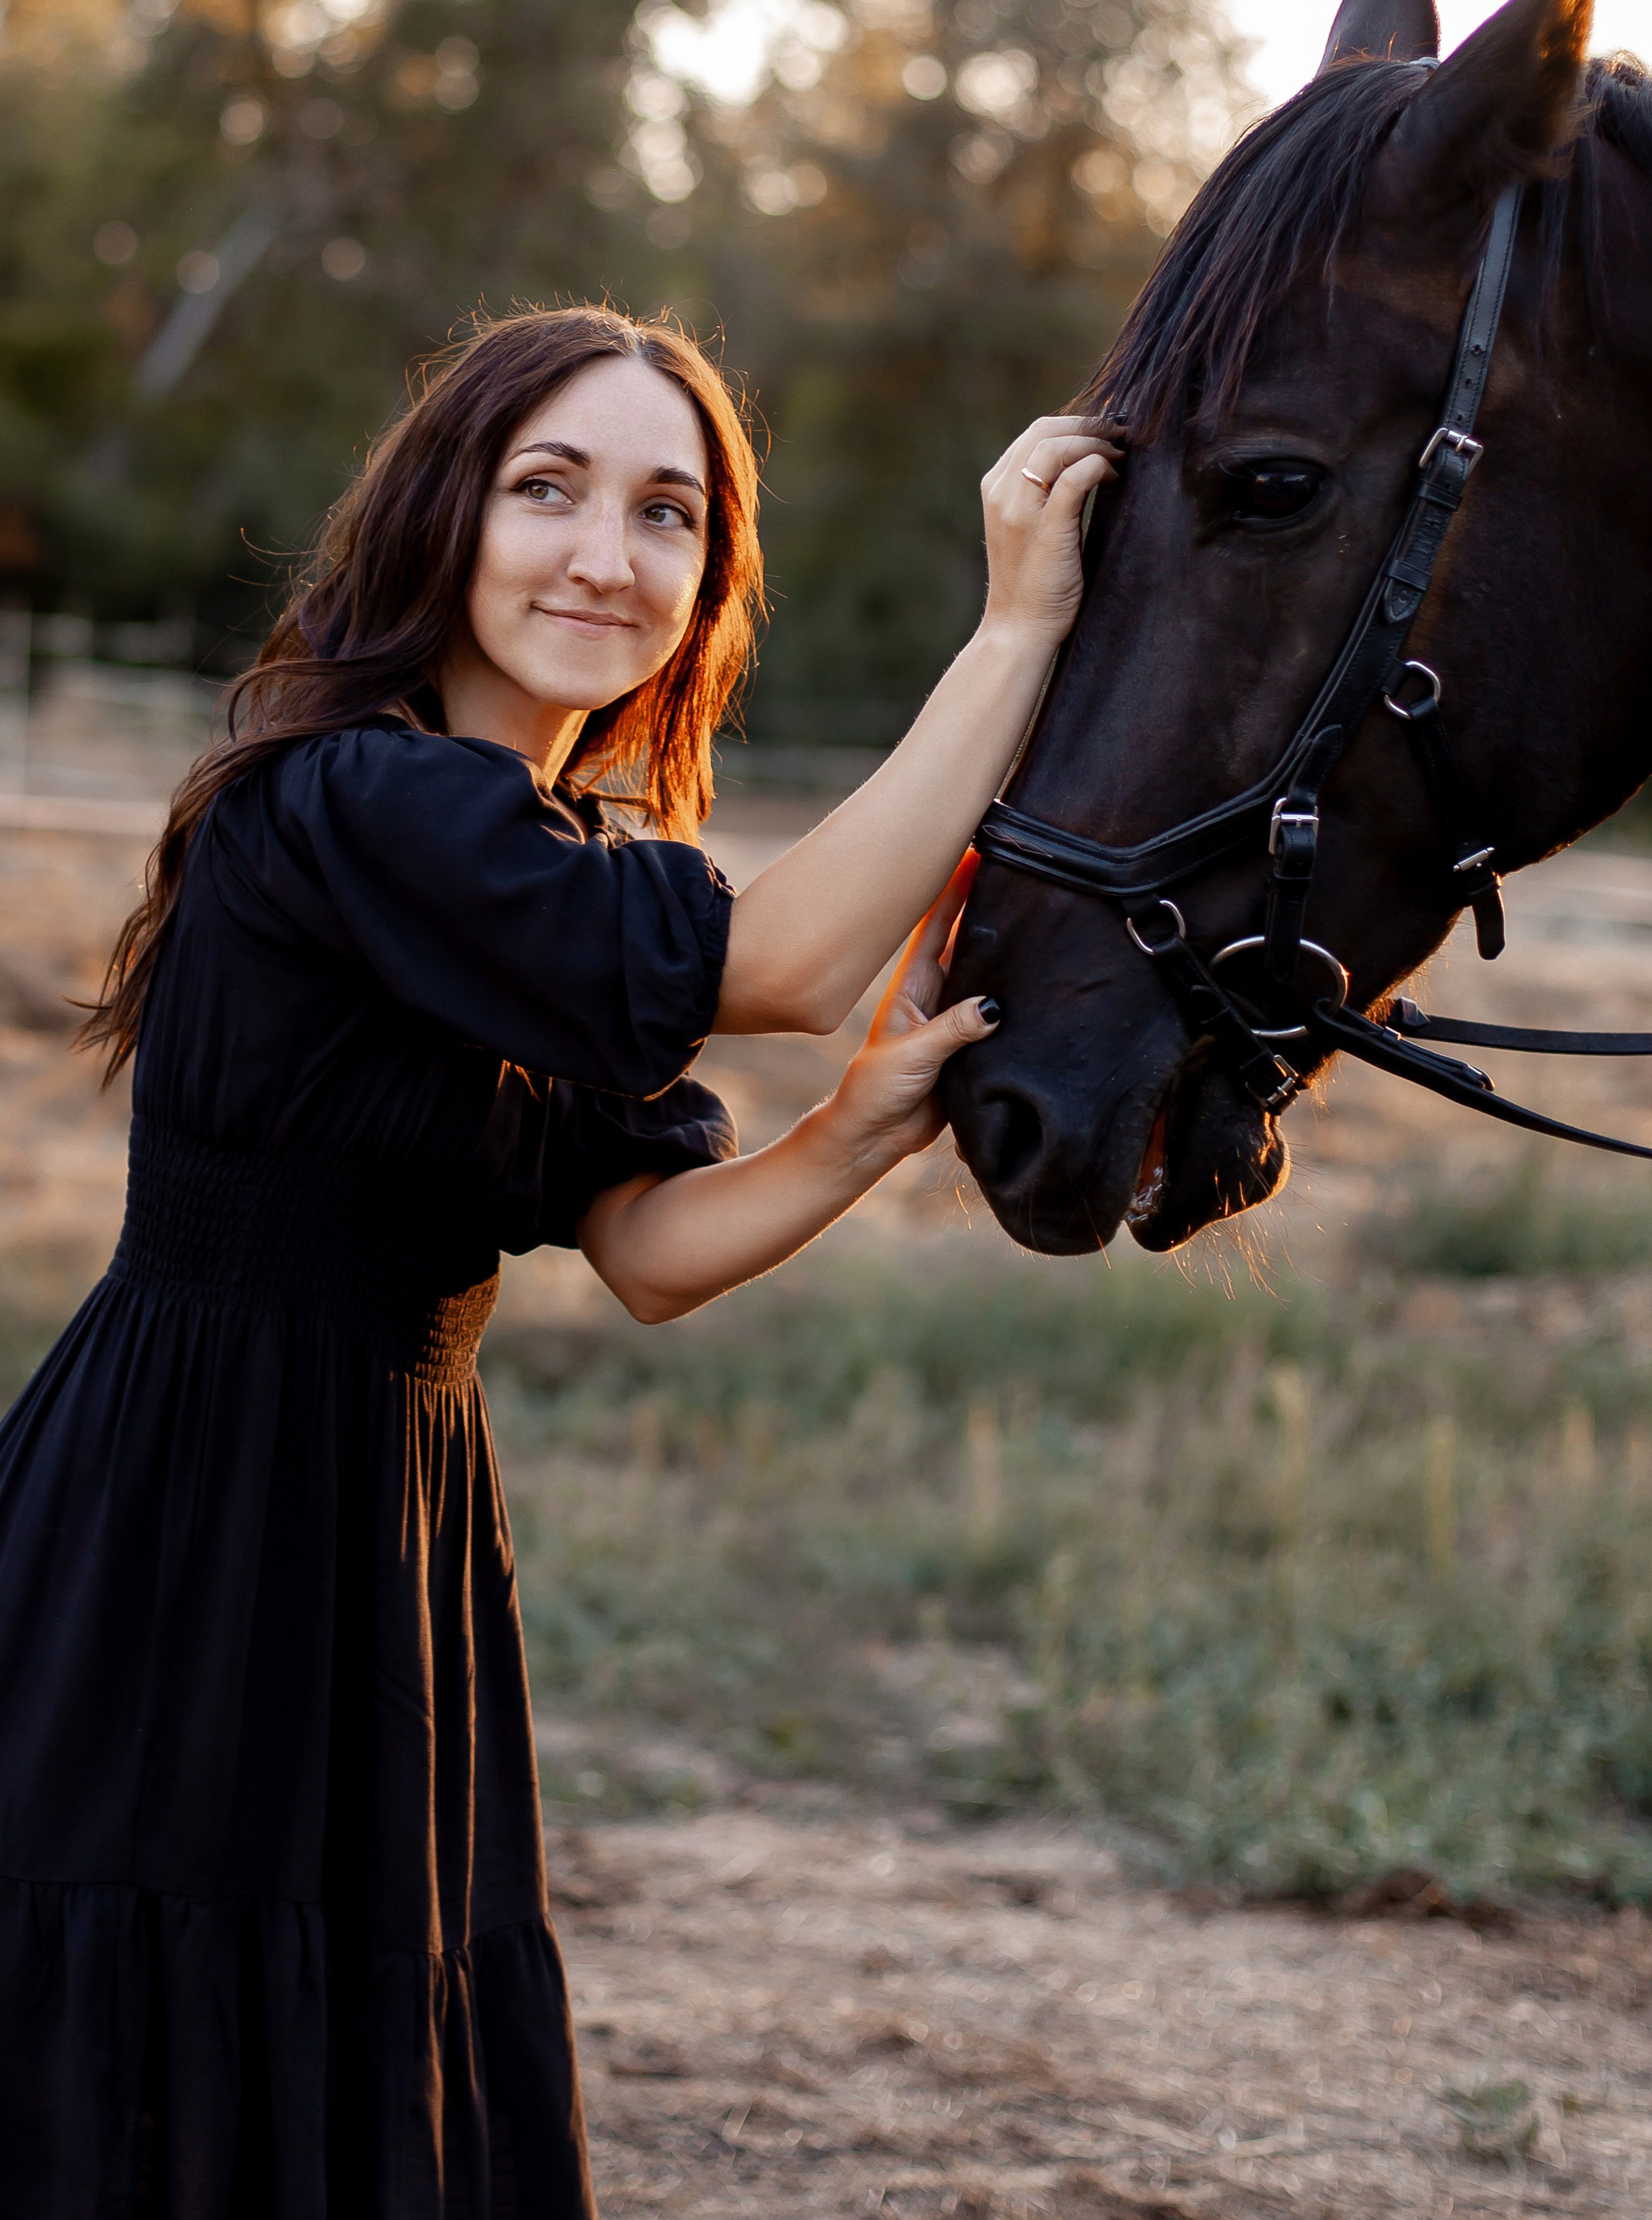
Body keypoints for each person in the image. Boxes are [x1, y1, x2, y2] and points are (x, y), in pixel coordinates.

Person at [0, 302, 1118, 2218]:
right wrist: (1021, 626)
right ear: (446, 514)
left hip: (385, 1518)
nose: (608, 555)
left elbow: (654, 1249)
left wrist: (850, 1135)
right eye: (550, 490)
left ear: (709, 579)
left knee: (342, 2052)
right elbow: (772, 965)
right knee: (142, 2067)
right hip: (178, 1520)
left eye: (668, 514)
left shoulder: (536, 869)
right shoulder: (356, 798)